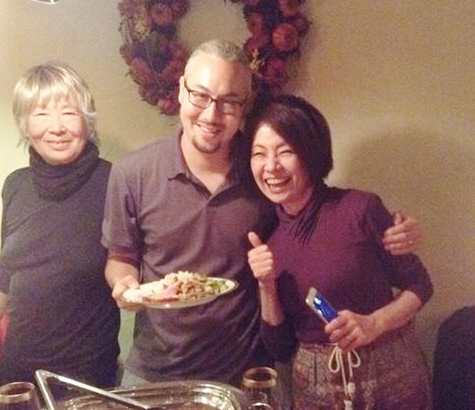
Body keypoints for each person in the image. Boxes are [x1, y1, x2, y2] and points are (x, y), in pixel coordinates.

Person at [102, 39, 421, 387]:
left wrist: (396, 231)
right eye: (200, 96)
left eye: (229, 102)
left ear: (245, 106)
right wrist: (124, 284)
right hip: (155, 369)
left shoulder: (262, 171)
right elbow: (121, 257)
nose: (211, 115)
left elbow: (319, 214)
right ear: (181, 90)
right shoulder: (132, 173)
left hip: (245, 369)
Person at [246, 94, 434, 410]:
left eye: (285, 151)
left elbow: (420, 285)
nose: (270, 167)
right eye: (259, 153)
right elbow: (280, 348)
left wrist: (374, 323)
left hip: (392, 369)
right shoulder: (266, 239)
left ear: (311, 153)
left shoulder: (359, 209)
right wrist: (266, 285)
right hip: (315, 387)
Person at [0, 62, 120, 389]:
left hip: (86, 380)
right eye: (40, 114)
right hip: (17, 378)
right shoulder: (15, 186)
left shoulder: (113, 181)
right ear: (25, 125)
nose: (56, 127)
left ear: (86, 120)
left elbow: (131, 270)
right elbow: (5, 275)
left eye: (68, 113)